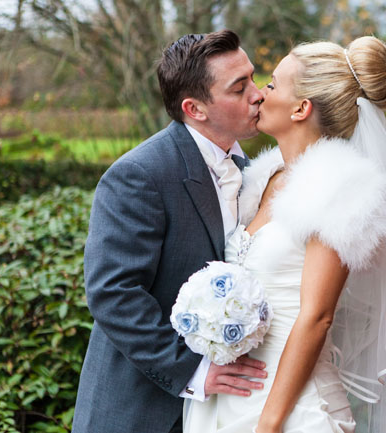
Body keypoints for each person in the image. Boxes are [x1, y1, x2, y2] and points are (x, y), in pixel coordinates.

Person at [183, 36, 386, 433]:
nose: (258, 95)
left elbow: (317, 317)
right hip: (234, 394)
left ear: (301, 108)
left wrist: (270, 423)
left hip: (291, 407)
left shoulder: (337, 187)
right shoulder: (263, 178)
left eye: (271, 85)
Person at [72, 30, 270, 433]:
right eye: (239, 87)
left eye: (253, 77)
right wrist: (192, 371)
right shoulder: (139, 175)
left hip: (228, 412)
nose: (258, 94)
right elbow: (113, 292)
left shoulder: (254, 171)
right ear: (195, 108)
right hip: (141, 411)